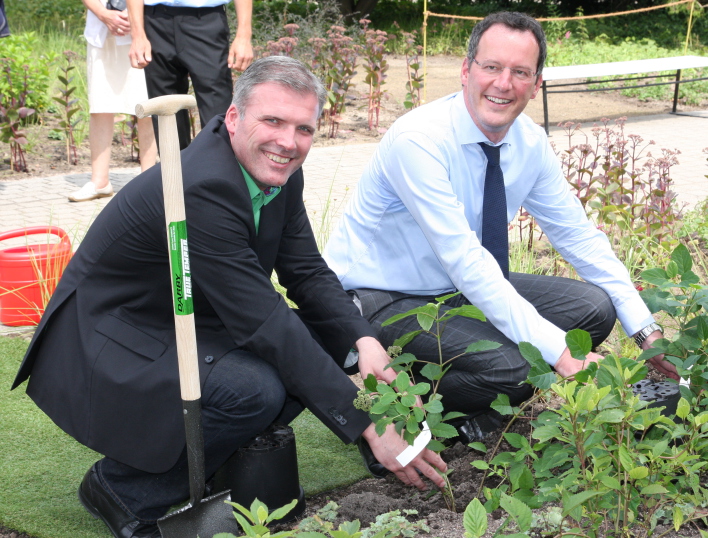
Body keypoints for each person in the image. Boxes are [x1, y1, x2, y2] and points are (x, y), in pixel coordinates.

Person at [12, 57, 446, 538]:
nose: (288, 141)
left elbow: (304, 271)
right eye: (273, 121)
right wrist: (366, 420)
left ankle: (230, 458)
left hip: (189, 317)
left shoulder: (277, 170)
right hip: (112, 336)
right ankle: (121, 490)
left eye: (304, 128)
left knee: (333, 338)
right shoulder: (202, 187)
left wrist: (362, 340)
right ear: (234, 118)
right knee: (255, 389)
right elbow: (265, 321)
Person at [324, 11, 678, 445]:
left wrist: (646, 331)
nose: (503, 83)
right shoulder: (418, 140)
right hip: (384, 298)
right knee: (516, 362)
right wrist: (560, 353)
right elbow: (466, 259)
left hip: (453, 292)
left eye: (520, 72)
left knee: (595, 309)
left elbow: (578, 236)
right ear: (466, 70)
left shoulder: (529, 143)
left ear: (537, 83)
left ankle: (468, 399)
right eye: (491, 67)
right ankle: (402, 423)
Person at [126, 0, 253, 150]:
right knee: (165, 111)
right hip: (154, 23)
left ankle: (217, 171)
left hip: (206, 22)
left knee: (216, 110)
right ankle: (174, 173)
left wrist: (244, 35)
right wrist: (137, 34)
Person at [69, 0, 157, 203]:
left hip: (144, 27)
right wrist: (103, 13)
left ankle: (149, 179)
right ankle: (100, 181)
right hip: (101, 28)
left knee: (146, 104)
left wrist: (133, 15)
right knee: (100, 103)